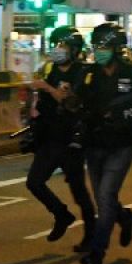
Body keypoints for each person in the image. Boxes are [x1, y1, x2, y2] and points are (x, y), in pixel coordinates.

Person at [76, 22, 132, 264]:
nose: (98, 51)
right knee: (104, 200)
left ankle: (97, 254)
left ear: (116, 48)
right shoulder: (89, 74)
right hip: (94, 144)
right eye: (95, 46)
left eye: (103, 46)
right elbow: (77, 103)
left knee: (106, 196)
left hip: (121, 145)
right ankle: (125, 217)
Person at [26, 26, 96, 246]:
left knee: (79, 191)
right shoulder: (50, 69)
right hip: (49, 137)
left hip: (71, 139)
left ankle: (91, 236)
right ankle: (62, 214)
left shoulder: (83, 73)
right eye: (55, 44)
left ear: (74, 49)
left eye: (62, 45)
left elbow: (73, 104)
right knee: (34, 182)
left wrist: (47, 88)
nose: (57, 50)